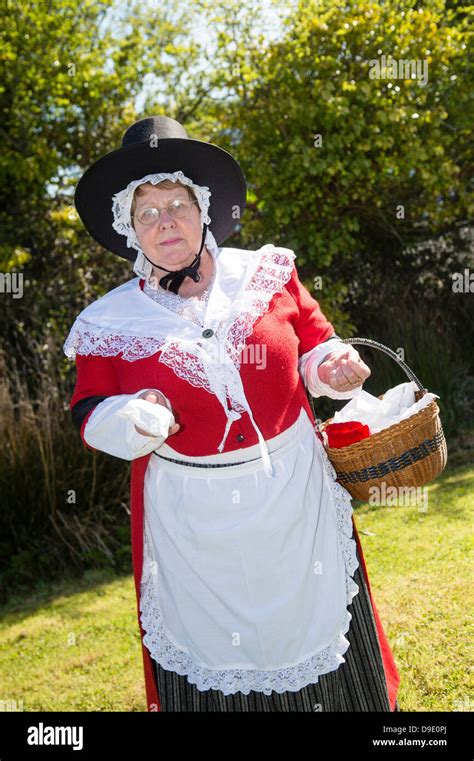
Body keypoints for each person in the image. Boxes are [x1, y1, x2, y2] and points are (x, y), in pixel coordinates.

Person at [63, 115, 400, 712]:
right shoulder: (107, 322)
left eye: (177, 203)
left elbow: (316, 348)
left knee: (324, 639)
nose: (165, 220)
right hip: (191, 524)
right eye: (147, 211)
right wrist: (132, 416)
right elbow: (89, 414)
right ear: (128, 229)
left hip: (297, 500)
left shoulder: (267, 273)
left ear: (203, 209)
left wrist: (335, 368)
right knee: (217, 666)